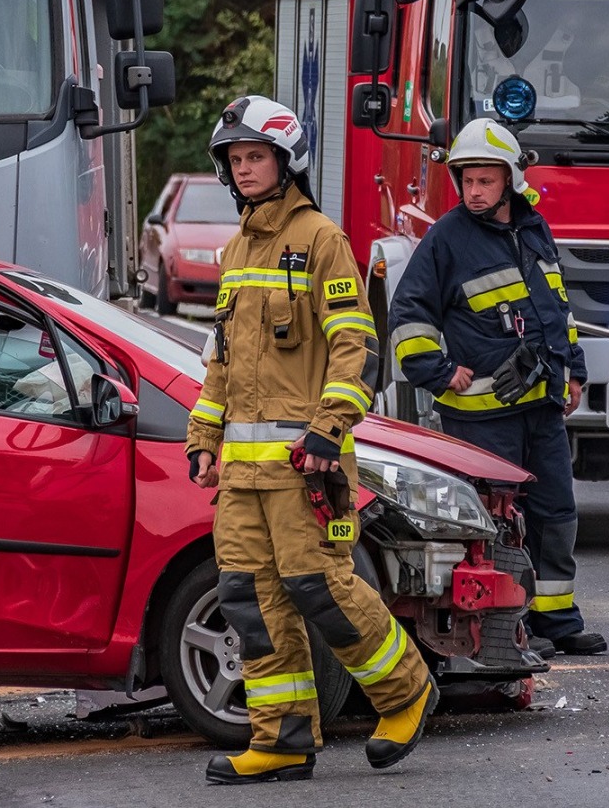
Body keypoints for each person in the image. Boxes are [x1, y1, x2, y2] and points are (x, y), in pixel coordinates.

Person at [186, 95, 436, 785]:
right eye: (235, 160)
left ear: (286, 161)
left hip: (306, 465)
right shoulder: (237, 249)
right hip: (241, 473)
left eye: (256, 157)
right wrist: (203, 438)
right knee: (249, 600)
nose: (245, 169)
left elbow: (356, 345)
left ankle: (406, 691)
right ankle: (284, 738)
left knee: (319, 589)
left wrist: (329, 431)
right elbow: (222, 361)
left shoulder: (322, 239)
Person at [387, 119, 605, 657]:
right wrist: (437, 371)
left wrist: (572, 370)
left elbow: (557, 309)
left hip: (541, 406)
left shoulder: (534, 229)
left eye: (486, 180)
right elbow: (408, 312)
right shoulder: (447, 238)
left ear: (510, 180)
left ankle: (558, 619)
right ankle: (510, 626)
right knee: (498, 524)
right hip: (481, 415)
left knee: (555, 511)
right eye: (467, 180)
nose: (475, 191)